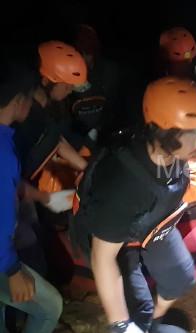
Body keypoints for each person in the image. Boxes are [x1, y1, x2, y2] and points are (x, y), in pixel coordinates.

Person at [72, 77, 196, 333]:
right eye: (193, 134)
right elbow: (102, 258)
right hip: (108, 231)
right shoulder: (124, 186)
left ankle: (152, 325)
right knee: (136, 305)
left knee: (180, 279)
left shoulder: (171, 152)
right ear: (164, 132)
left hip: (150, 219)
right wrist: (121, 325)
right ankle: (138, 324)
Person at [0, 58, 63, 333]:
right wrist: (12, 270)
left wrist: (45, 198)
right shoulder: (3, 152)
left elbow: (10, 186)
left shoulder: (5, 140)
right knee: (50, 307)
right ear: (17, 101)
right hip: (3, 259)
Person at [14, 40, 88, 180]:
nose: (71, 91)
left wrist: (86, 168)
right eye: (67, 86)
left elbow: (57, 139)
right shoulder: (25, 115)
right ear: (46, 81)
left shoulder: (53, 105)